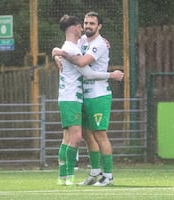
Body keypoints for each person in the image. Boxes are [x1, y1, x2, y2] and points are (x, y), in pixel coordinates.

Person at [55, 14, 124, 186]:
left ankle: (108, 175)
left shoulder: (100, 44)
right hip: (84, 96)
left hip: (98, 95)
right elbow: (69, 45)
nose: (88, 26)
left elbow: (81, 62)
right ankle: (95, 173)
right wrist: (55, 54)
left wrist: (60, 53)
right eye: (86, 23)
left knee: (100, 134)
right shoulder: (82, 40)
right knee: (87, 135)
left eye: (92, 23)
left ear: (99, 26)